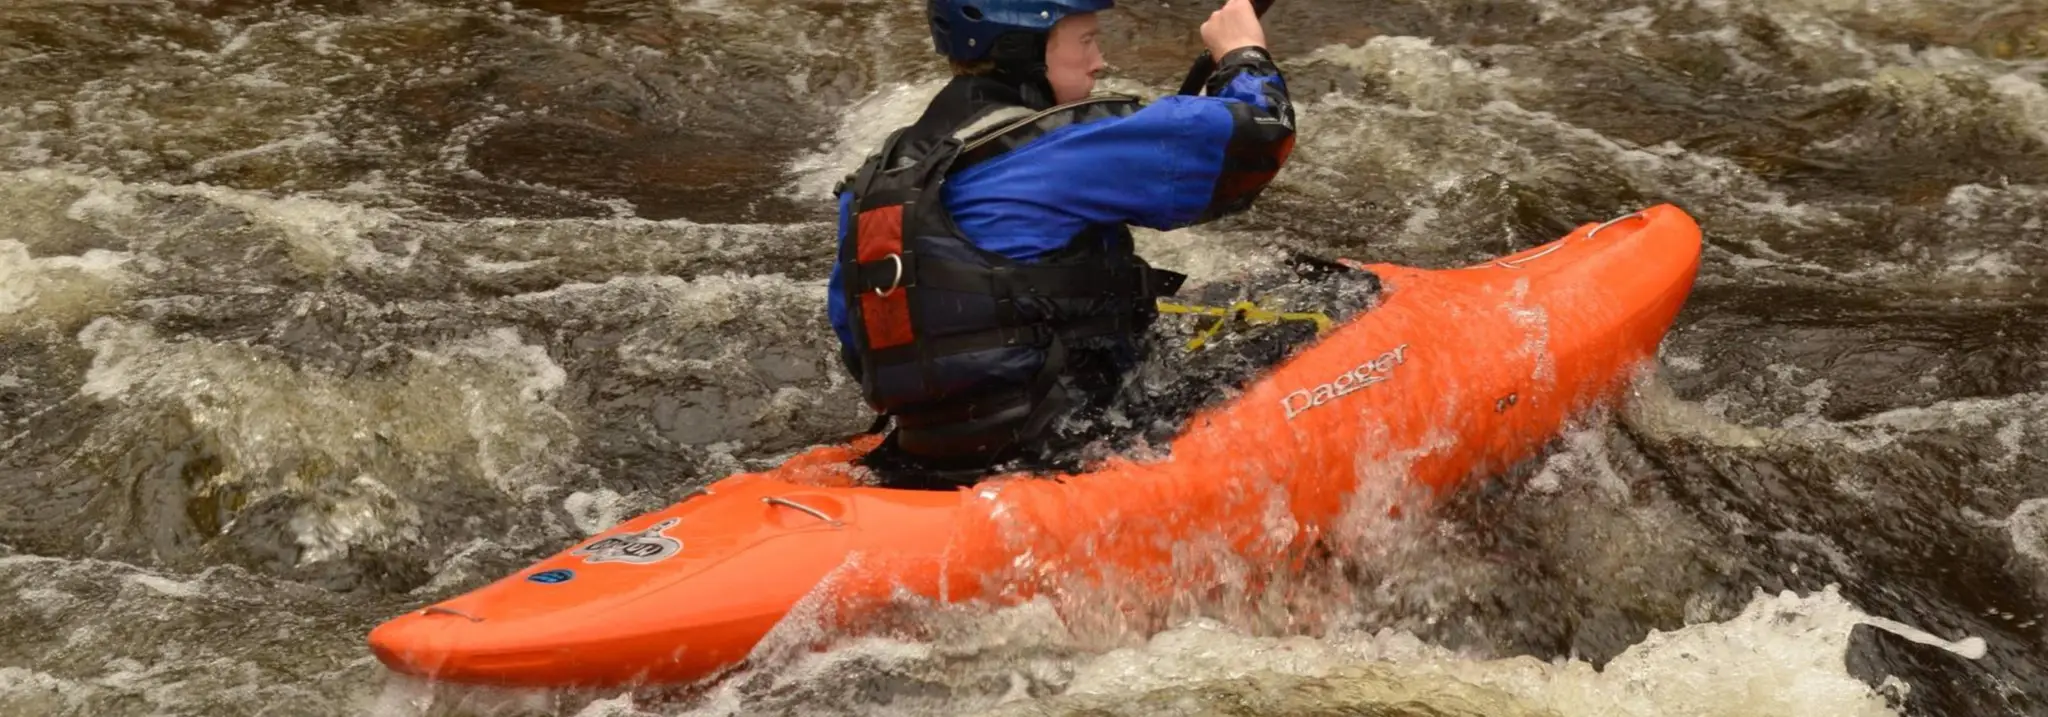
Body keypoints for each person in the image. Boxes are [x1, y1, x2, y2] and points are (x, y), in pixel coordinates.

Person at [826, 0, 1296, 478]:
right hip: (1064, 448)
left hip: (932, 452)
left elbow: (855, 340)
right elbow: (1257, 136)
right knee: (1327, 300)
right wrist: (1242, 54)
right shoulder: (1063, 146)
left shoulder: (876, 183)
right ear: (1021, 49)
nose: (1100, 60)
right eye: (1085, 41)